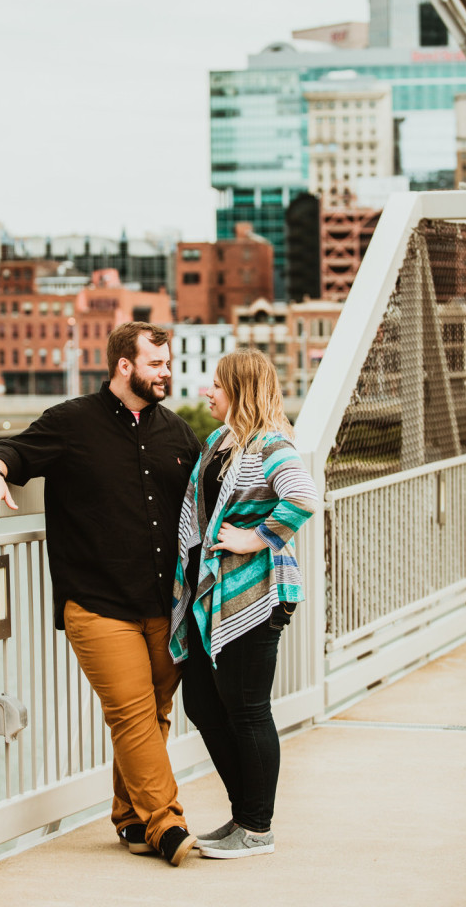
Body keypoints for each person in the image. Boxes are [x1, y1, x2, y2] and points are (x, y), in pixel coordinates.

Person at [0, 321, 201, 866]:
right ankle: (166, 822)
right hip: (98, 604)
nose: (166, 372)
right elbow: (12, 450)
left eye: (168, 363)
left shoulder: (178, 433)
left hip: (165, 606)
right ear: (124, 366)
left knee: (155, 712)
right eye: (155, 363)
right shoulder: (71, 422)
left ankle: (131, 819)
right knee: (132, 712)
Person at [169, 348, 318, 859]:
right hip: (210, 594)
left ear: (239, 389)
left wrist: (255, 539)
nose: (208, 392)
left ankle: (257, 828)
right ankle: (244, 814)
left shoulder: (270, 444)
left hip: (255, 595)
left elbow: (302, 497)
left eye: (216, 384)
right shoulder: (220, 441)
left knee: (248, 710)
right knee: (203, 704)